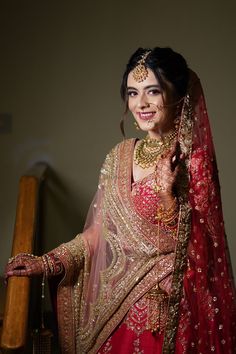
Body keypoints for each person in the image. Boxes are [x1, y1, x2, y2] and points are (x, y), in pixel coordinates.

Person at [5, 47, 236, 354]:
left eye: (152, 91)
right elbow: (96, 236)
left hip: (169, 307)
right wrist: (46, 263)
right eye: (132, 92)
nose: (141, 103)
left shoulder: (194, 162)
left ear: (178, 95)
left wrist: (167, 194)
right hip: (117, 304)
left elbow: (203, 249)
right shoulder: (119, 156)